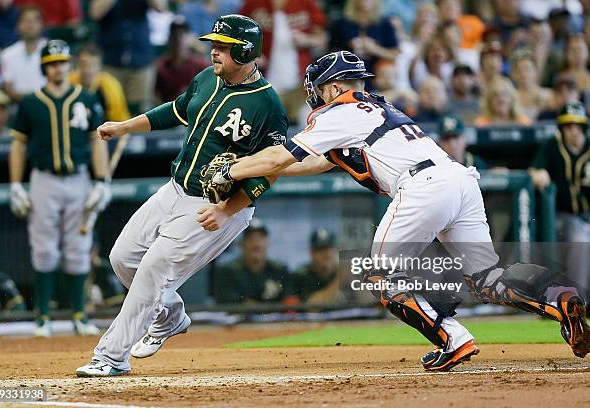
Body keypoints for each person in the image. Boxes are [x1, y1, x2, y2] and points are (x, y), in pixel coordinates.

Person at [206, 50, 590, 370]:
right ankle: (558, 295)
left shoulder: (338, 112)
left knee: (380, 276)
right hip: (459, 180)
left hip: (423, 187)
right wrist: (261, 171)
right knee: (487, 276)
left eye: (320, 87)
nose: (316, 95)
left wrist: (232, 169)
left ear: (336, 87)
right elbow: (312, 162)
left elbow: (283, 153)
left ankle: (453, 338)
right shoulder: (376, 107)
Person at [75, 14, 288, 377]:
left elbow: (270, 170)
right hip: (173, 188)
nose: (214, 53)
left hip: (214, 204)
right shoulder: (207, 78)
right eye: (214, 46)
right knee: (123, 258)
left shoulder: (267, 104)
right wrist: (126, 126)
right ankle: (171, 315)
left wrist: (227, 210)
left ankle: (110, 357)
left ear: (246, 51)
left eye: (223, 47)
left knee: (153, 269)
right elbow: (174, 111)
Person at [8, 39, 111, 337]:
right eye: (52, 63)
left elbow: (97, 141)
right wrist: (16, 184)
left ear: (70, 64)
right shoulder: (30, 102)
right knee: (44, 248)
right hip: (43, 179)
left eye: (62, 62)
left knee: (78, 248)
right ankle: (43, 317)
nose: (58, 67)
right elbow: (18, 144)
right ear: (44, 67)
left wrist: (102, 181)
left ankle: (79, 314)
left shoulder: (87, 98)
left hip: (79, 178)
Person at [529, 102, 589, 297]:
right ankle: (576, 302)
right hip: (564, 216)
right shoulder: (552, 146)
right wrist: (540, 173)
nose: (573, 131)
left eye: (577, 126)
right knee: (581, 241)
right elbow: (534, 170)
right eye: (568, 126)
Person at [241, 0, 328, 125]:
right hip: (265, 80)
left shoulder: (305, 3)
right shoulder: (254, 3)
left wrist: (307, 40)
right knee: (264, 126)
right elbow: (238, 36)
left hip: (300, 83)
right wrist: (251, 54)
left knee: (310, 123)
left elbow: (322, 39)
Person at [89, 0, 168, 115]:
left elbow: (161, 7)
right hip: (110, 61)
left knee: (140, 112)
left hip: (141, 61)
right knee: (110, 109)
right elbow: (95, 13)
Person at [214, 219, 295, 304]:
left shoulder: (279, 270)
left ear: (268, 243)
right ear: (241, 244)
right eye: (251, 239)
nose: (256, 244)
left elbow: (290, 303)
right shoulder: (228, 272)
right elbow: (229, 305)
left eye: (261, 238)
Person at [329, 0, 398, 74]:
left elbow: (394, 55)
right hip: (347, 72)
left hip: (376, 74)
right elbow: (331, 52)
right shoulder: (341, 23)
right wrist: (349, 47)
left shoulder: (384, 23)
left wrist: (374, 49)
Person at [69, 43, 131, 122]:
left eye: (93, 65)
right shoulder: (68, 81)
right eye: (84, 64)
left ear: (100, 66)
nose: (88, 70)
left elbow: (119, 121)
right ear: (77, 65)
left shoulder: (111, 86)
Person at [154, 17, 209, 104]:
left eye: (183, 34)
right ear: (169, 39)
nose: (179, 39)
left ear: (189, 38)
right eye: (175, 34)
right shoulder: (162, 66)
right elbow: (157, 98)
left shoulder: (200, 65)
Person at [0, 5, 47, 102]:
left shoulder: (52, 50)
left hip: (48, 104)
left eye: (34, 20)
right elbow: (8, 88)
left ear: (42, 24)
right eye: (25, 21)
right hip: (18, 106)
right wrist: (30, 102)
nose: (30, 25)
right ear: (18, 26)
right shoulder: (7, 54)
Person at [295, 229, 344, 305]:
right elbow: (311, 307)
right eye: (320, 249)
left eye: (329, 248)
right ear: (311, 253)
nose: (326, 254)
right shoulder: (302, 276)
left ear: (336, 250)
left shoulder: (346, 271)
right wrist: (340, 279)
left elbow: (365, 303)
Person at [510, 49, 554, 121]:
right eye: (519, 70)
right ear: (513, 74)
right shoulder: (510, 97)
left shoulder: (549, 95)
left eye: (527, 69)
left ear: (535, 72)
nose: (523, 74)